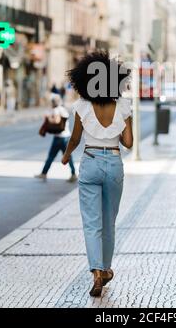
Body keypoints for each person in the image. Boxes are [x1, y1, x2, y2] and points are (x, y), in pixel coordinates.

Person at [61, 51, 133, 298]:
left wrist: (66, 155)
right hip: (113, 162)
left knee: (92, 223)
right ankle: (106, 268)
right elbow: (129, 143)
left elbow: (75, 138)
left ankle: (97, 274)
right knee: (108, 222)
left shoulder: (81, 106)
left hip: (90, 162)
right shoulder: (123, 105)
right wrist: (123, 124)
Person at [35, 94, 77, 182]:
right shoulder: (63, 109)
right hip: (66, 136)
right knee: (68, 156)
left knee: (51, 156)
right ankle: (73, 174)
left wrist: (49, 118)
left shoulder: (56, 110)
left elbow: (57, 121)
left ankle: (44, 173)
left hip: (59, 138)